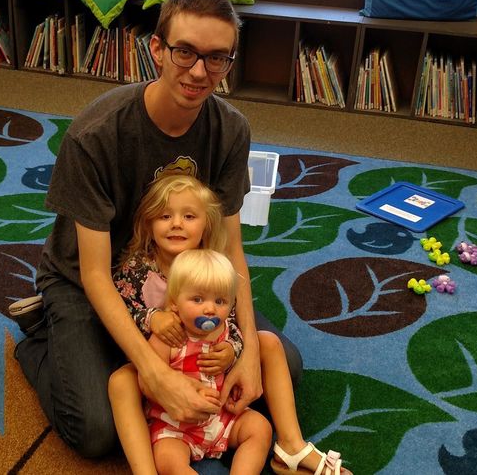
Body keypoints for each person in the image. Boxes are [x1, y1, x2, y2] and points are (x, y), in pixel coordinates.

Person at [10, 0, 302, 459]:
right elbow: (94, 273)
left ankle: (133, 349)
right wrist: (155, 373)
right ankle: (41, 337)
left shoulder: (231, 129)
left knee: (281, 366)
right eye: (185, 52)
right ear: (158, 49)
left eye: (217, 57)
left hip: (182, 277)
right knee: (97, 431)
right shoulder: (95, 134)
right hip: (88, 279)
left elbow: (230, 249)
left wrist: (247, 349)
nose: (199, 71)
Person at [109, 175, 351, 475]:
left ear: (207, 224)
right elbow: (119, 312)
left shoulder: (216, 265)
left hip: (220, 411)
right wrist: (151, 318)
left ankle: (291, 445)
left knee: (260, 422)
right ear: (148, 223)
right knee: (165, 456)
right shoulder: (137, 269)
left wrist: (232, 349)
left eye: (189, 216)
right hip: (172, 414)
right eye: (165, 216)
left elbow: (232, 318)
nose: (176, 224)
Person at [142, 248, 273, 473]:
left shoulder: (226, 331)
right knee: (166, 460)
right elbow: (148, 383)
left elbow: (240, 359)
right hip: (176, 427)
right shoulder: (167, 338)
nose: (210, 309)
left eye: (220, 301)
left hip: (221, 417)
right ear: (174, 303)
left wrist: (231, 353)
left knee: (260, 428)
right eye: (198, 299)